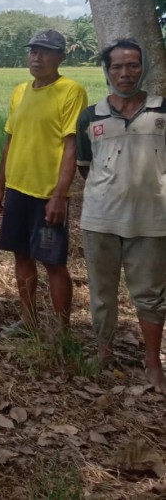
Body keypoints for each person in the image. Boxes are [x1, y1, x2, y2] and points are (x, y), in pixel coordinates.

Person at [76, 38, 166, 394]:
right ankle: (104, 350)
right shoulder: (92, 115)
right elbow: (86, 167)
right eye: (117, 66)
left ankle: (152, 362)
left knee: (150, 294)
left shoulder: (162, 111)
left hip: (152, 219)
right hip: (100, 218)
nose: (125, 73)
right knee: (102, 292)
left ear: (143, 68)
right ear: (107, 70)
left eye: (132, 65)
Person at [0, 29, 88, 334]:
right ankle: (28, 321)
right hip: (18, 189)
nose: (37, 57)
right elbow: (10, 140)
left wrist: (60, 195)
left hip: (48, 193)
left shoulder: (71, 91)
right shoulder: (20, 91)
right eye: (33, 51)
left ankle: (61, 329)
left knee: (53, 262)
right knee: (21, 255)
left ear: (61, 57)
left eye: (45, 51)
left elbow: (71, 146)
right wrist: (0, 185)